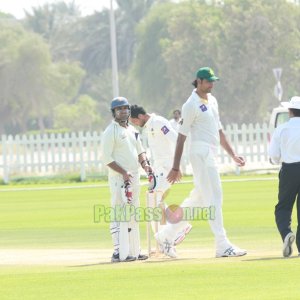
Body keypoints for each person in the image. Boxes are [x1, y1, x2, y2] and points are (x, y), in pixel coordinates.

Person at [156, 67, 247, 258]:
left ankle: (166, 235)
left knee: (199, 199)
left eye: (213, 81)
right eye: (208, 81)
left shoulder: (212, 100)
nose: (212, 84)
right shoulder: (190, 105)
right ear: (198, 81)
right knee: (214, 196)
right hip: (199, 153)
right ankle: (222, 244)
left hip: (211, 153)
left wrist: (233, 155)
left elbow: (219, 131)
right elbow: (181, 137)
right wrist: (175, 167)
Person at [129, 105, 192, 257]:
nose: (135, 124)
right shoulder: (149, 126)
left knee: (153, 200)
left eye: (135, 121)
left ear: (142, 116)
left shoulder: (158, 122)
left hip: (167, 168)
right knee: (156, 202)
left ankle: (173, 234)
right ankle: (166, 240)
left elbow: (178, 140)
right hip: (159, 169)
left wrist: (176, 166)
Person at [101, 97, 151, 262]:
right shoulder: (111, 131)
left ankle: (134, 250)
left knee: (133, 213)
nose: (123, 111)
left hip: (134, 178)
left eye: (125, 108)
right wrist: (123, 172)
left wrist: (146, 165)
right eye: (119, 109)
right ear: (114, 112)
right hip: (118, 179)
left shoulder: (132, 130)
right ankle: (118, 251)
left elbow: (140, 150)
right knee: (118, 213)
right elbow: (106, 159)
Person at [269, 96, 300, 257]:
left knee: (283, 207)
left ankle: (286, 233)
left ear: (290, 111)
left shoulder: (282, 129)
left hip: (289, 170)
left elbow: (274, 156)